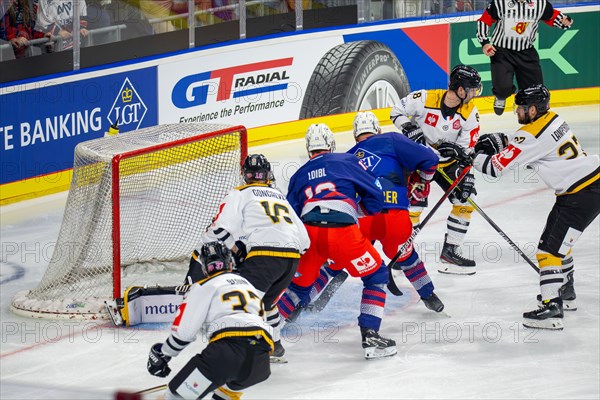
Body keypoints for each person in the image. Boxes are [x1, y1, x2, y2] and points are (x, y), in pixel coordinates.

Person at [438, 84, 599, 330]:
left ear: (533, 109)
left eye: (521, 108)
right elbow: (529, 141)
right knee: (562, 246)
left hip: (579, 195)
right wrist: (503, 139)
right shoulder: (554, 119)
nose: (517, 112)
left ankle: (552, 307)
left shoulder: (531, 136)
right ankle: (565, 291)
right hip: (588, 187)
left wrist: (466, 156)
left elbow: (495, 168)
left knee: (548, 252)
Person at [277, 123, 397, 360]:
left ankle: (263, 337)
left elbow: (291, 213)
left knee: (298, 287)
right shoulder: (346, 160)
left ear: (308, 149)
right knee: (376, 276)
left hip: (310, 236)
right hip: (344, 234)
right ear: (331, 145)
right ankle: (370, 335)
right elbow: (375, 195)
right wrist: (359, 210)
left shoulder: (299, 174)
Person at [198, 153, 310, 362]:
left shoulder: (241, 193)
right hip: (291, 260)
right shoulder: (279, 196)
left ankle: (235, 353)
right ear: (267, 174)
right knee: (266, 304)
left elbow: (216, 229)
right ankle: (275, 346)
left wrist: (236, 249)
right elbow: (305, 241)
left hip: (265, 258)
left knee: (241, 303)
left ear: (245, 175)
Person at [146, 241, 273, 400]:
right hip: (260, 361)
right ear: (229, 263)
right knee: (225, 393)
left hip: (225, 355)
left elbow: (184, 332)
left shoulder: (204, 285)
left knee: (175, 396)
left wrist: (163, 353)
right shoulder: (249, 286)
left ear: (205, 268)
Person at [390, 64, 482, 275]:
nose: (474, 95)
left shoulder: (470, 113)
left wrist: (459, 156)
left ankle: (449, 253)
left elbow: (468, 150)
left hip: (449, 163)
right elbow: (396, 112)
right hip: (420, 160)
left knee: (465, 201)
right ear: (460, 90)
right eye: (471, 90)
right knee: (414, 206)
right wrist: (409, 127)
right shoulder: (424, 98)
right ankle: (404, 254)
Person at [348, 111, 444, 312]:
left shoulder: (349, 155)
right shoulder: (391, 139)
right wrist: (424, 179)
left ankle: (305, 301)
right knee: (406, 256)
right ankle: (429, 295)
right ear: (378, 130)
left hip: (362, 217)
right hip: (395, 217)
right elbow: (430, 160)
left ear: (355, 135)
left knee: (338, 255)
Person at [476, 0, 573, 116]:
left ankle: (528, 113)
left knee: (536, 91)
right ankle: (501, 96)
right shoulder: (500, 3)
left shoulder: (540, 4)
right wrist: (485, 42)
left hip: (527, 52)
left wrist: (564, 21)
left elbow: (552, 16)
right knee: (502, 88)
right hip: (502, 52)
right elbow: (484, 21)